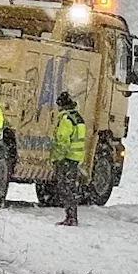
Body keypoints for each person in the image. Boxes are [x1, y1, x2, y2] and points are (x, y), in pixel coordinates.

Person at [51, 91, 87, 226]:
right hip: (76, 157)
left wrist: (56, 158)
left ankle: (70, 217)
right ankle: (72, 216)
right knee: (71, 188)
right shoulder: (78, 118)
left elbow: (62, 141)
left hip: (66, 158)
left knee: (65, 188)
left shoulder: (66, 119)